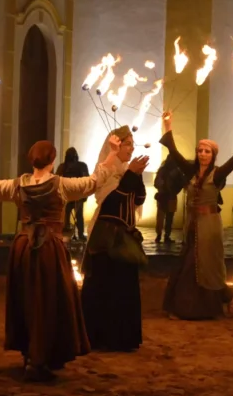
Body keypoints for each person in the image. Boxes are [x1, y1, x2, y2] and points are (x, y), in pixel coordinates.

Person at [0, 135, 123, 381]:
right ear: (53, 160)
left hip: (24, 248)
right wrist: (112, 153)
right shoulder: (60, 185)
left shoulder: (18, 185)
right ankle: (39, 358)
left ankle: (34, 354)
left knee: (29, 299)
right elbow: (94, 181)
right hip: (49, 250)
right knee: (49, 301)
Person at [159, 111, 233, 320]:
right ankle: (225, 299)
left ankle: (193, 308)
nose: (203, 154)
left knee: (203, 265)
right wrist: (168, 127)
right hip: (193, 224)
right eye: (200, 151)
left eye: (207, 151)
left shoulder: (218, 173)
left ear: (213, 155)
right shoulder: (191, 172)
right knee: (190, 262)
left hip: (209, 226)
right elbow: (175, 153)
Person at [81, 126, 150, 351]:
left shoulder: (126, 170)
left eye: (132, 144)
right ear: (116, 146)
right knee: (105, 286)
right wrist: (130, 174)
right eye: (127, 144)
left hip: (124, 237)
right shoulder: (107, 169)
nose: (131, 148)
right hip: (107, 238)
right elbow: (111, 200)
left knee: (124, 288)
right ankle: (100, 336)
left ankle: (122, 337)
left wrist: (135, 175)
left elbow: (138, 198)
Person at [55, 147, 89, 241]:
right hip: (71, 195)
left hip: (73, 195)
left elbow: (86, 180)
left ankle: (77, 233)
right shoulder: (66, 166)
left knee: (73, 214)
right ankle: (77, 234)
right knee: (74, 215)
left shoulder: (64, 166)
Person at [153, 152, 187, 244]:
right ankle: (162, 235)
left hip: (168, 196)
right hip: (166, 195)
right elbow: (157, 182)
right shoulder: (166, 170)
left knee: (166, 217)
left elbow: (181, 182)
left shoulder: (167, 170)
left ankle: (163, 235)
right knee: (165, 217)